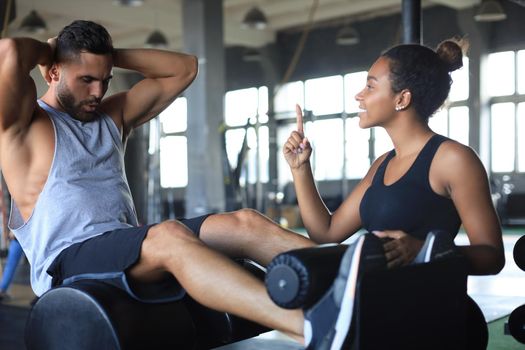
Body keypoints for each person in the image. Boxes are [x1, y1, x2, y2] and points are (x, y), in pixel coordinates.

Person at [0, 20, 379, 350]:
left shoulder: (111, 116)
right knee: (169, 236)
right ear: (52, 73)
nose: (98, 92)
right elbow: (11, 51)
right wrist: (52, 50)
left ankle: (366, 285)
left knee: (244, 222)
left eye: (104, 79)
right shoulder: (24, 126)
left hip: (125, 243)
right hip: (69, 259)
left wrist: (106, 56)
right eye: (86, 80)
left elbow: (184, 68)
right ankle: (311, 324)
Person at [283, 39, 505, 276]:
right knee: (245, 225)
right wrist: (300, 168)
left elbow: (491, 256)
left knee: (247, 226)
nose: (359, 95)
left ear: (402, 99)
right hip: (372, 286)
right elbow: (325, 233)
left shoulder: (453, 159)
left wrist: (424, 250)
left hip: (418, 297)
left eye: (370, 87)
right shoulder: (382, 164)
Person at [0, 233, 24, 301]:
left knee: (10, 265)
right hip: (21, 236)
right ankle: (2, 290)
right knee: (10, 265)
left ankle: (2, 290)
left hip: (19, 235)